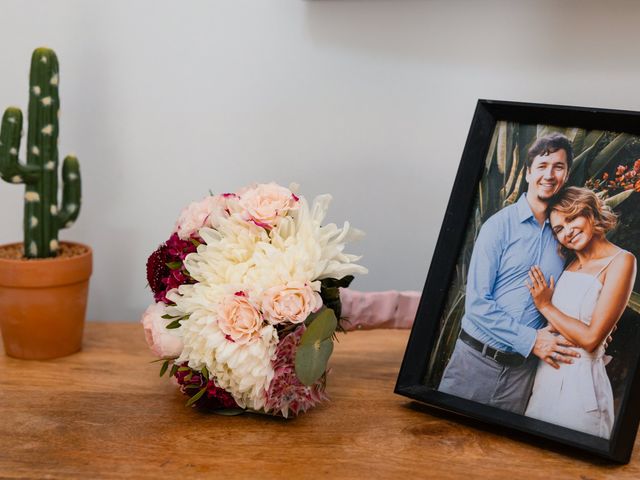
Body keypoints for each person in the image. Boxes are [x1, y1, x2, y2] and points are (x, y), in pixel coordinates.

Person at [438, 133, 580, 415]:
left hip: (522, 376)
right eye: (542, 166)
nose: (549, 174)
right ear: (528, 172)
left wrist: (596, 324)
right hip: (474, 365)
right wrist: (532, 340)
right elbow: (477, 304)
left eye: (558, 167)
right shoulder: (498, 227)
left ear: (566, 175)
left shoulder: (565, 237)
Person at [524, 187, 637, 438]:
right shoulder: (570, 264)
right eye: (559, 229)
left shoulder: (621, 261)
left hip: (582, 387)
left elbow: (589, 339)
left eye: (572, 217)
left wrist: (545, 305)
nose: (568, 231)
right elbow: (563, 326)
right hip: (545, 381)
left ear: (590, 213)